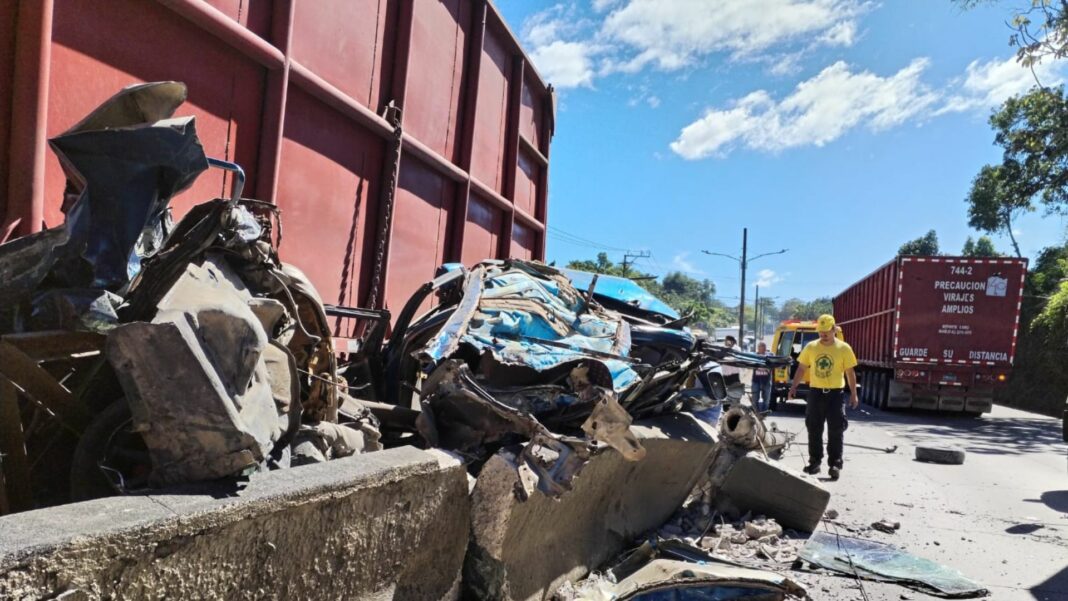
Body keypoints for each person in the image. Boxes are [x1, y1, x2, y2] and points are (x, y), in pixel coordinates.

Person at [787, 314, 859, 481]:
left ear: (834, 329)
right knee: (814, 428)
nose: (823, 334)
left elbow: (850, 372)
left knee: (836, 429)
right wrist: (793, 387)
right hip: (816, 393)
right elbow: (801, 368)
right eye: (820, 331)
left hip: (835, 394)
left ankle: (835, 464)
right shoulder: (811, 347)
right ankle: (815, 462)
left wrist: (854, 394)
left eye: (826, 331)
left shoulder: (844, 348)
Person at [751, 341, 773, 413]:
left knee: (766, 399)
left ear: (765, 348)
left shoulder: (769, 356)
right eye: (760, 348)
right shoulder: (754, 356)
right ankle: (756, 412)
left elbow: (775, 362)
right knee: (754, 399)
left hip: (766, 381)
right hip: (756, 380)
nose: (762, 350)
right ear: (758, 348)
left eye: (763, 348)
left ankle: (764, 412)